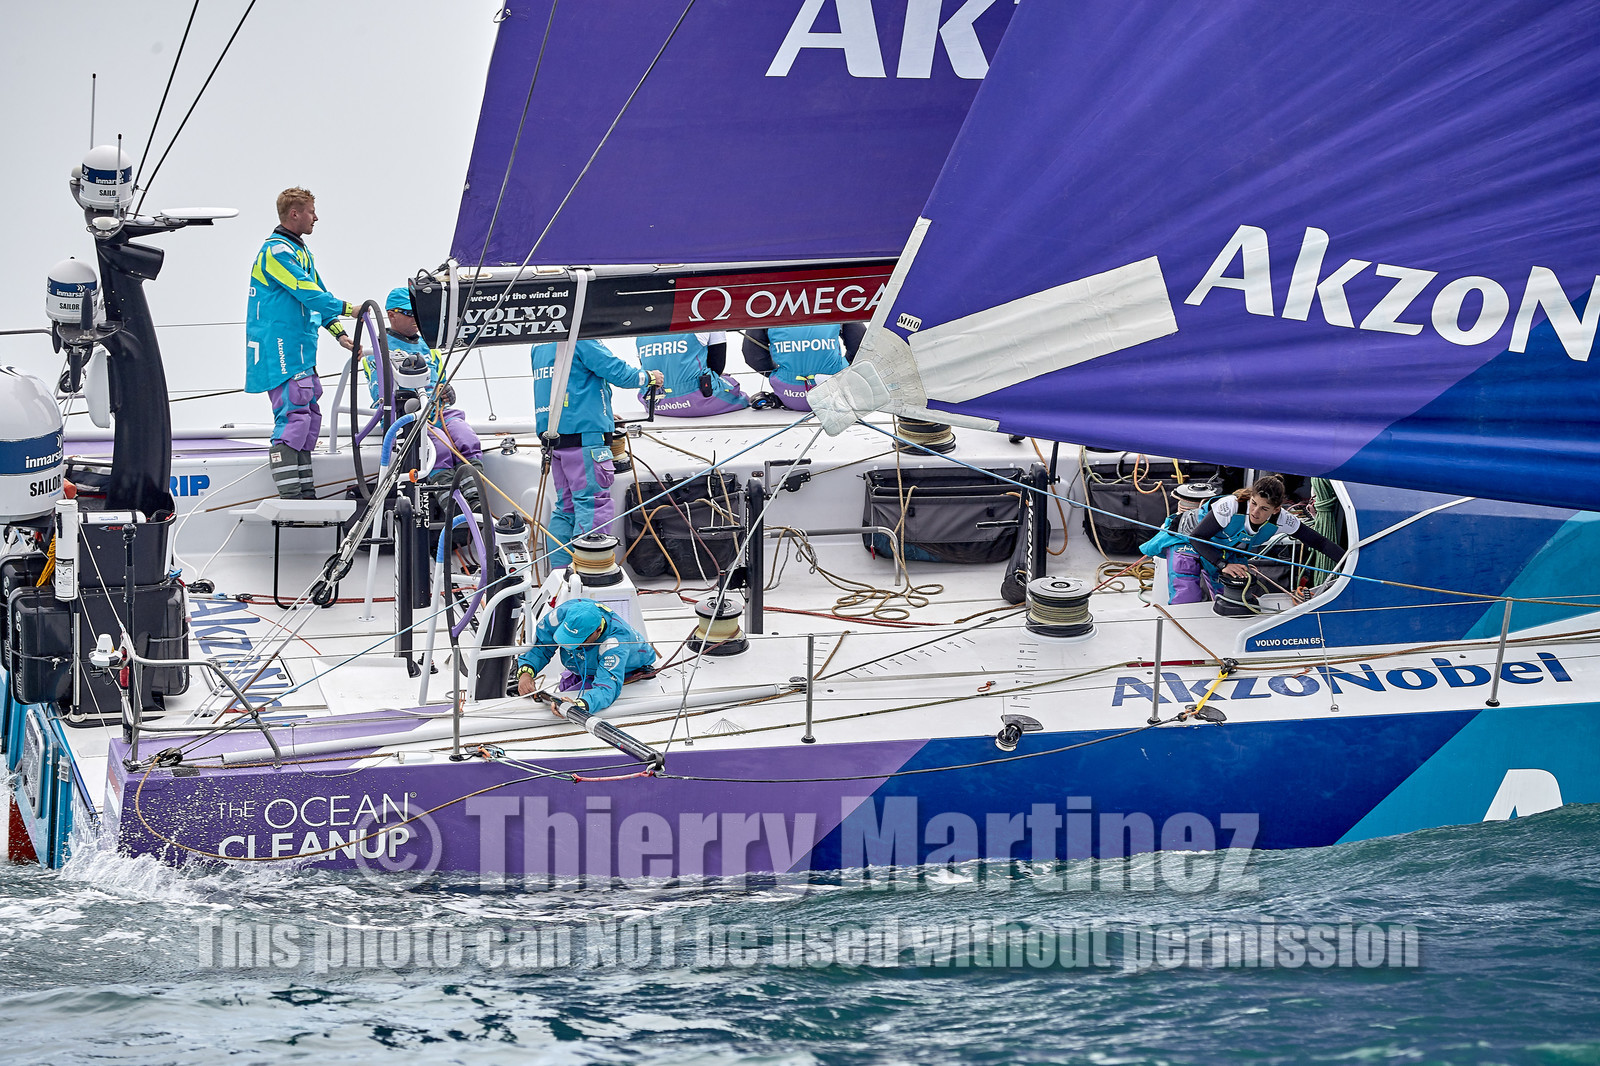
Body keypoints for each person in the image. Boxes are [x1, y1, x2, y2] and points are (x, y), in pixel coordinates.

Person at [244, 187, 358, 500]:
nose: (316, 217)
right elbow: (304, 289)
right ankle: (291, 493)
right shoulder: (276, 252)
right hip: (279, 344)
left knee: (310, 412)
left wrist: (340, 334)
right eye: (311, 211)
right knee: (293, 409)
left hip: (301, 347)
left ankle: (305, 490)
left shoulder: (300, 251)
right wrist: (349, 309)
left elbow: (316, 295)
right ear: (295, 213)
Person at [531, 338, 664, 566]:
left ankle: (560, 574)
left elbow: (569, 385)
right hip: (584, 441)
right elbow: (618, 372)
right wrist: (650, 377)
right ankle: (587, 574)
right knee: (593, 504)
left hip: (556, 440)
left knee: (566, 508)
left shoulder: (539, 345)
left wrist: (601, 416)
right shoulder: (581, 340)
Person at [363, 286, 484, 477]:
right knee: (440, 448)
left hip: (438, 413)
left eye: (419, 313)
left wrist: (447, 391)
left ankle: (476, 497)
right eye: (410, 313)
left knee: (466, 438)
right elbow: (383, 397)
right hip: (408, 419)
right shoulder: (377, 351)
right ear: (391, 315)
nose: (416, 319)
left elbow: (441, 382)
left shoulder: (429, 346)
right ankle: (450, 502)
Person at [1186, 475, 1344, 601]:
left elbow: (1320, 543)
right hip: (1186, 539)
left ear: (1276, 510)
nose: (1255, 511)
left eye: (1264, 508)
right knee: (1186, 590)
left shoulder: (1284, 519)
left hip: (1225, 550)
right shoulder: (1230, 506)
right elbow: (1197, 537)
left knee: (1236, 595)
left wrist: (1349, 563)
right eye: (1253, 503)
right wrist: (1222, 564)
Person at [514, 598, 657, 714]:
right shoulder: (564, 614)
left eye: (579, 642)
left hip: (624, 669)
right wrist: (526, 672)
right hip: (580, 666)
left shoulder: (615, 644)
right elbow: (542, 645)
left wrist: (579, 705)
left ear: (598, 631)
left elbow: (606, 686)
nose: (572, 647)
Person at [1138, 481, 1222, 603]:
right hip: (1193, 549)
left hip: (1187, 549)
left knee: (1184, 580)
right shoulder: (1220, 533)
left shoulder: (1169, 530)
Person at [633, 331, 747, 416]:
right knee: (734, 387)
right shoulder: (711, 315)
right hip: (699, 401)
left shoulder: (641, 330)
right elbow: (717, 366)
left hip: (656, 405)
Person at [740, 324, 852, 411]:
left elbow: (753, 356)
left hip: (787, 395)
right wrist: (843, 370)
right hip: (834, 393)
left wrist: (779, 374)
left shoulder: (766, 304)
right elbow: (861, 344)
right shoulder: (838, 300)